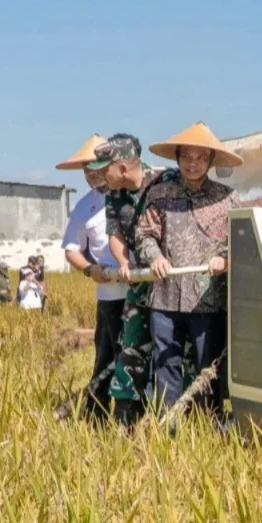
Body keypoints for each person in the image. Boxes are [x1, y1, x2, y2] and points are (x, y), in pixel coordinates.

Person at [136, 121, 244, 415]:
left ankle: (209, 427)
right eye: (187, 157)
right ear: (177, 158)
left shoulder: (227, 198)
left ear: (210, 160)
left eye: (200, 158)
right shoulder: (160, 195)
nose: (193, 164)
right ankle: (167, 429)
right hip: (165, 295)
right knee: (165, 365)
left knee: (207, 369)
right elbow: (144, 234)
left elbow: (242, 242)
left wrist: (225, 260)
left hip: (208, 300)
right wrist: (155, 256)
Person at [87, 133, 179, 426]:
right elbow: (115, 233)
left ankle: (177, 418)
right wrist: (124, 262)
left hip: (174, 282)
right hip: (140, 280)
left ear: (124, 168)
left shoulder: (167, 181)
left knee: (174, 349)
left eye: (107, 168)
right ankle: (127, 419)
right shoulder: (114, 194)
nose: (103, 175)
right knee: (131, 347)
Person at [55, 135, 125, 421]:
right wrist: (89, 269)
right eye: (86, 170)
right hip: (109, 297)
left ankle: (133, 417)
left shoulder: (134, 193)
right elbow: (71, 249)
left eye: (96, 168)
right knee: (106, 358)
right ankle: (96, 417)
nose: (91, 174)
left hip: (143, 294)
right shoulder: (85, 206)